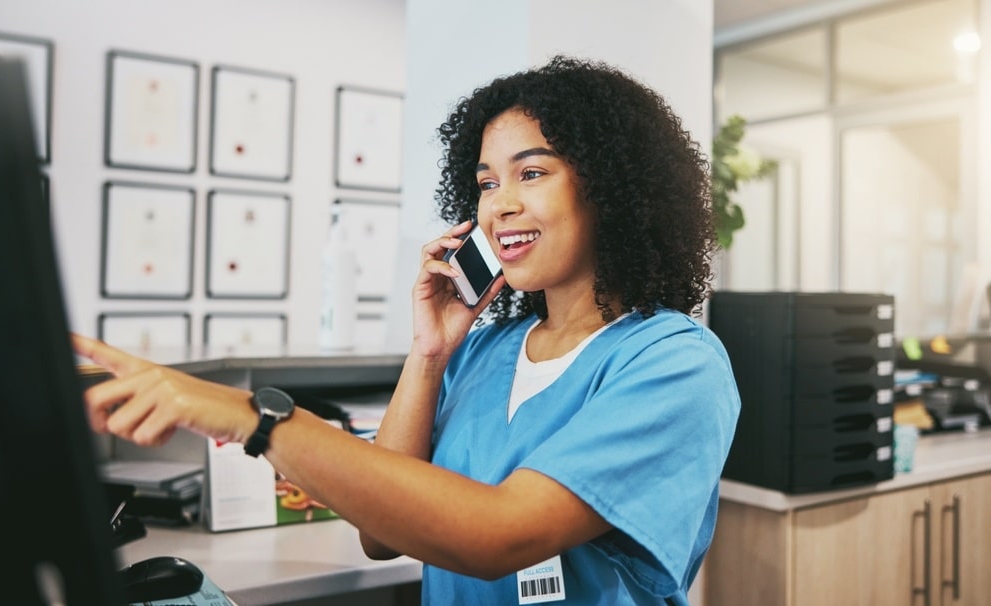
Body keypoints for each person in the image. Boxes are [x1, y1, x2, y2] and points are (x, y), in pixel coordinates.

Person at [75, 55, 741, 605]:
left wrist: (253, 417)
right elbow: (378, 534)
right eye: (485, 183)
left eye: (531, 174)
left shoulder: (675, 363)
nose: (500, 204)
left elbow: (498, 535)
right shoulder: (482, 350)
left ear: (611, 190)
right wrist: (428, 354)